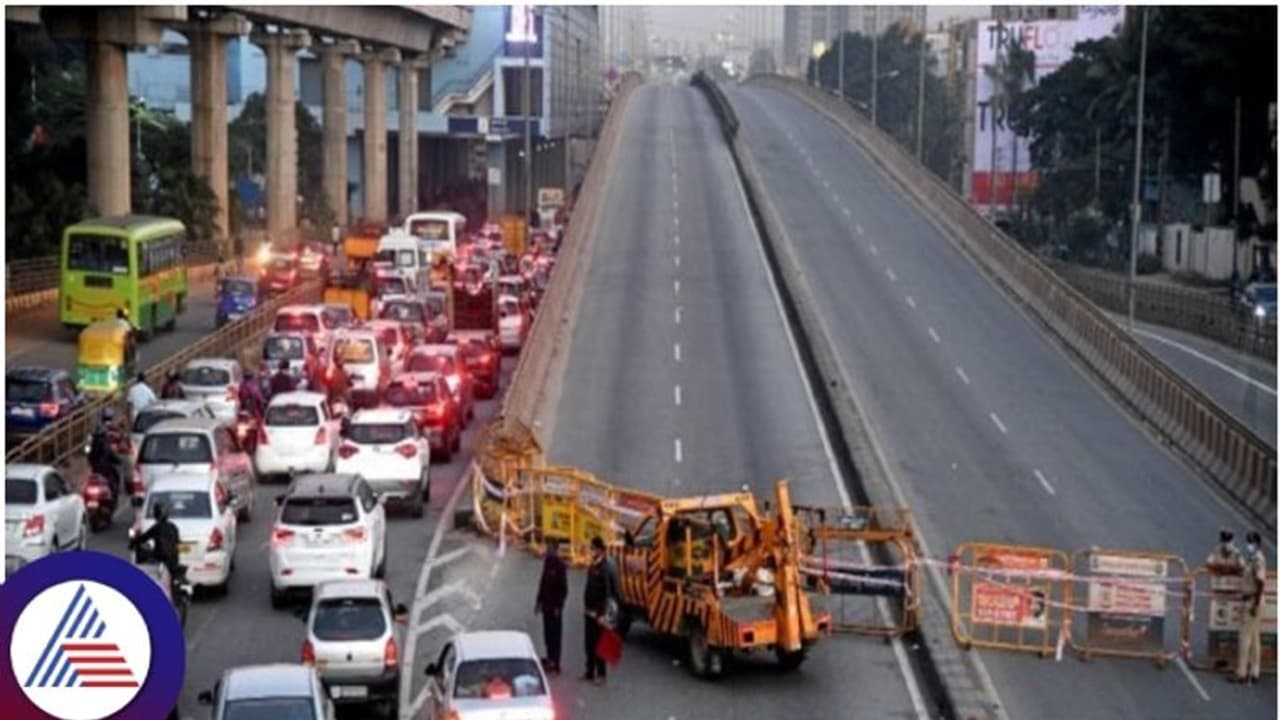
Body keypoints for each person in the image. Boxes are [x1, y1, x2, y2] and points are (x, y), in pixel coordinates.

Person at [581, 536, 618, 686]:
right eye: (592, 549)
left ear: (601, 550)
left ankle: (601, 674)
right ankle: (589, 672)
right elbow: (589, 588)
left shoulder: (605, 568)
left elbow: (608, 593)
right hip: (589, 612)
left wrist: (603, 614)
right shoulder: (592, 566)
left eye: (594, 549)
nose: (592, 551)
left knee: (598, 645)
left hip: (599, 614)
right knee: (588, 644)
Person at [1233, 531, 1267, 684]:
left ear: (1258, 544)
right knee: (1254, 638)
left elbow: (1260, 582)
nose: (1249, 545)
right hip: (1254, 600)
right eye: (1248, 541)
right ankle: (1255, 672)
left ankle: (1241, 673)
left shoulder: (1258, 560)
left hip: (1252, 601)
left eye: (1251, 542)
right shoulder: (1252, 559)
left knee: (1245, 638)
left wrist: (1255, 603)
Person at [128, 502, 182, 594]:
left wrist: (133, 543)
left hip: (163, 560)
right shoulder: (173, 527)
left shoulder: (157, 528)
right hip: (174, 560)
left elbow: (143, 538)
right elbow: (177, 541)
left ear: (156, 515)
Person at [534, 541, 568, 675]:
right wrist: (538, 602)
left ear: (556, 549)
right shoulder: (547, 562)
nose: (548, 551)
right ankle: (549, 659)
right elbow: (542, 583)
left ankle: (556, 663)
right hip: (546, 607)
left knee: (555, 636)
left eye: (550, 548)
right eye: (547, 548)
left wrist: (559, 606)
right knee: (547, 635)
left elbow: (564, 589)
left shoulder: (560, 565)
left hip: (555, 608)